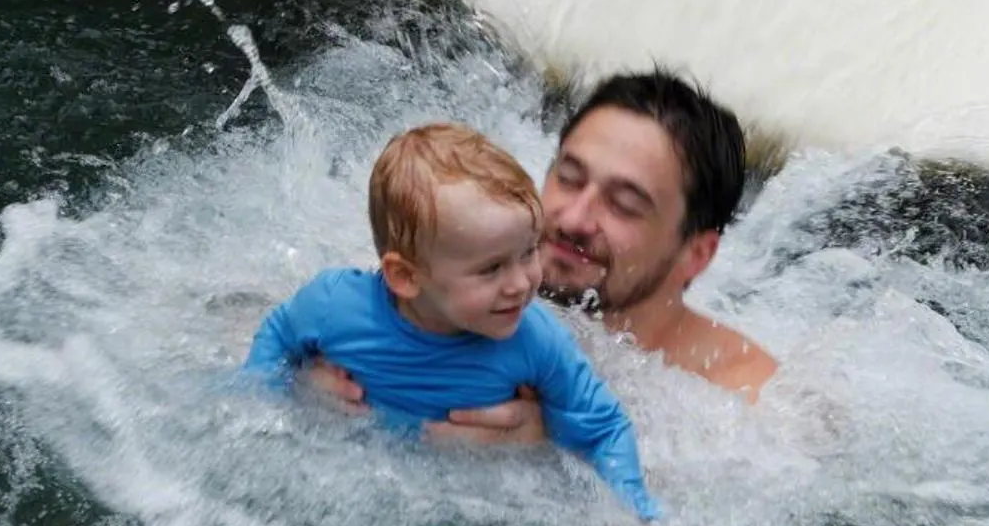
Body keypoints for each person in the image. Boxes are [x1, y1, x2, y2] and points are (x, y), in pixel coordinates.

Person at [312, 71, 778, 447]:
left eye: (625, 205)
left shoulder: (745, 404)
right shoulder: (443, 269)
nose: (572, 218)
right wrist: (307, 379)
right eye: (569, 178)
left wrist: (555, 449)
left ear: (695, 254)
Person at [241, 121, 661, 518]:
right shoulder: (336, 306)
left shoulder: (535, 340)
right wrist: (265, 398)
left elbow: (605, 427)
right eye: (492, 268)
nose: (522, 283)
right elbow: (277, 334)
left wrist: (633, 511)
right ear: (406, 277)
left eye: (530, 251)